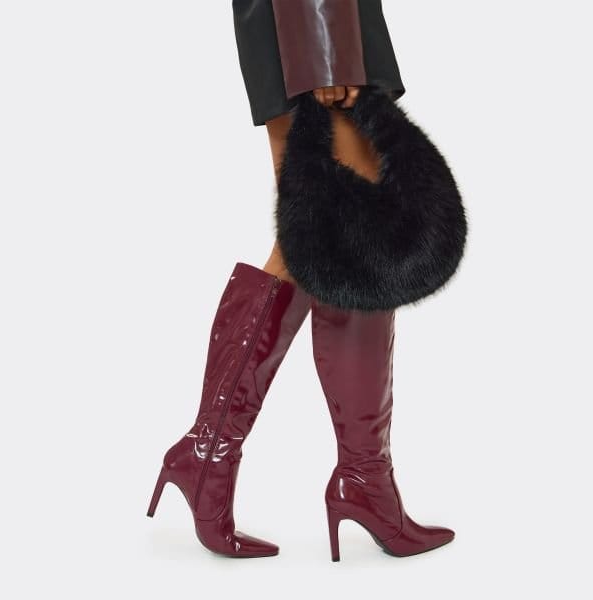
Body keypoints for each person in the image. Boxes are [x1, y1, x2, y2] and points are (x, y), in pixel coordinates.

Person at [146, 0, 455, 560]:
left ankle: (211, 457)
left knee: (330, 240)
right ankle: (358, 479)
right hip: (313, 23)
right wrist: (327, 50)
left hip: (314, 24)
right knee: (353, 234)